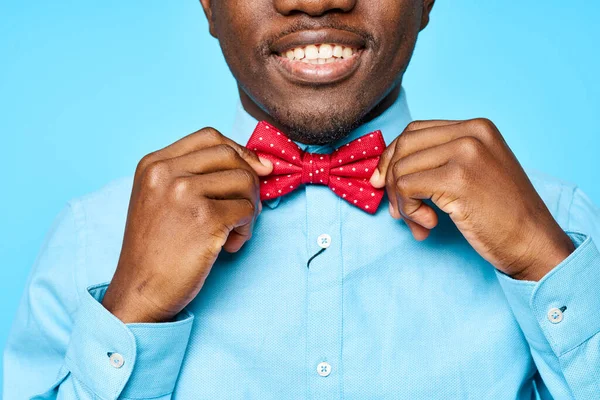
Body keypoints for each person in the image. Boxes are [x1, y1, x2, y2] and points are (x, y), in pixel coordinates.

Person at [4, 0, 600, 399]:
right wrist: (132, 309)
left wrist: (540, 261)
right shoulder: (91, 237)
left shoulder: (560, 226)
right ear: (208, 4)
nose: (315, 2)